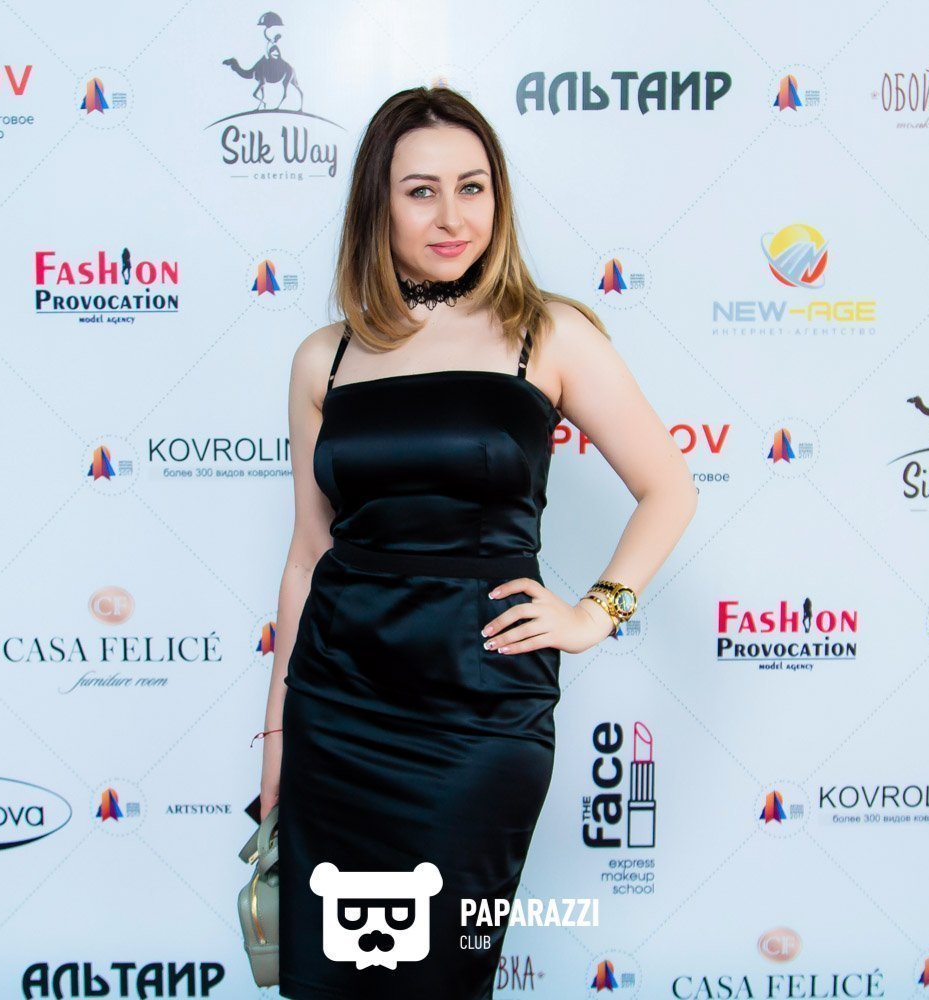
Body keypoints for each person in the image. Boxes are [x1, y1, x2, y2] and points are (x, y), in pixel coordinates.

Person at [258, 86, 697, 999]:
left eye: (473, 186)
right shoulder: (324, 357)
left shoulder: (548, 332)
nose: (452, 216)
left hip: (480, 711)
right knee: (332, 981)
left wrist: (595, 613)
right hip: (339, 707)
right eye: (421, 191)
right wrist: (277, 743)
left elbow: (670, 489)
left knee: (439, 980)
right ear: (378, 205)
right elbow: (307, 556)